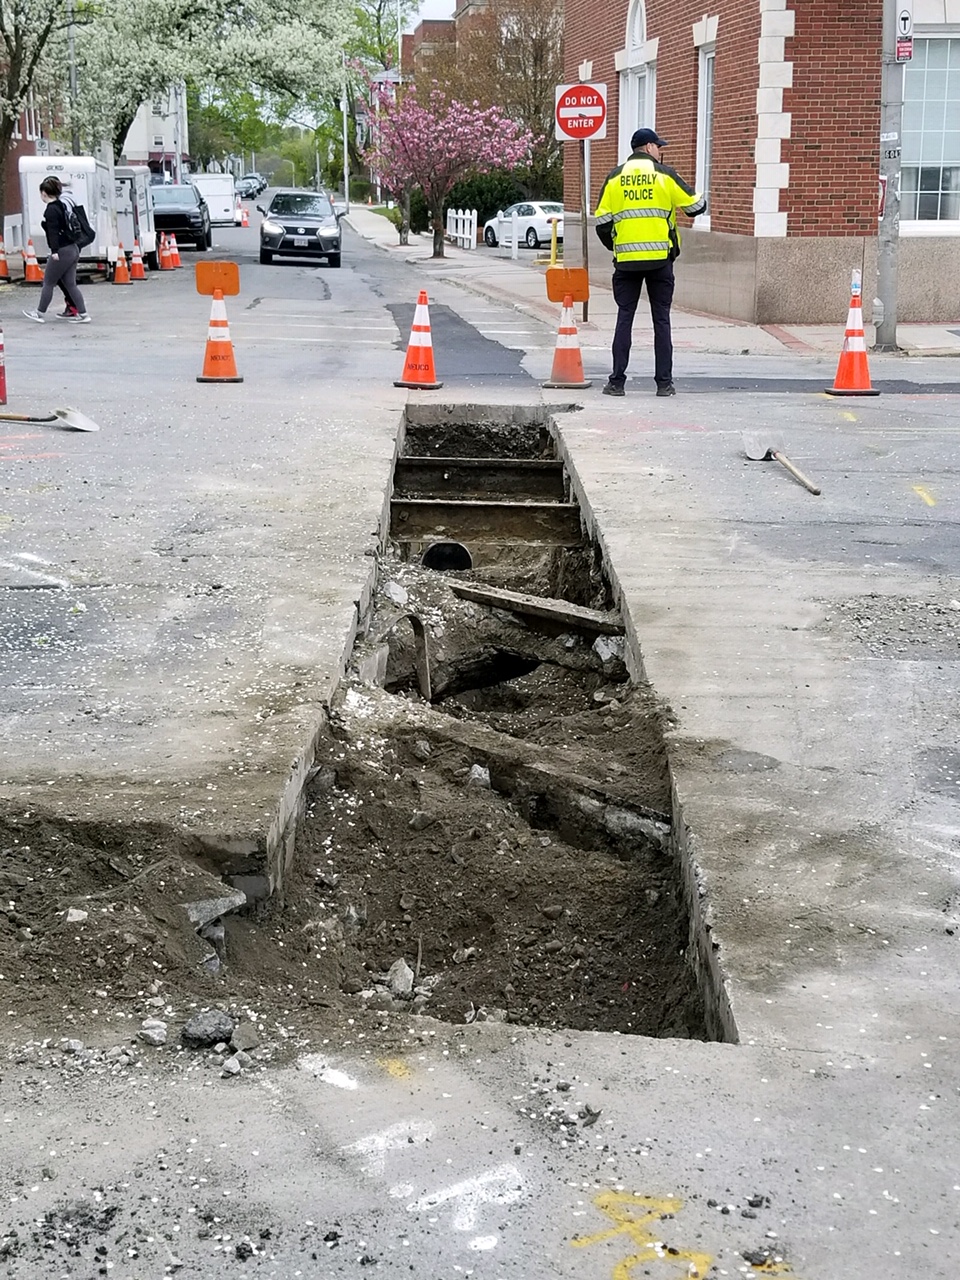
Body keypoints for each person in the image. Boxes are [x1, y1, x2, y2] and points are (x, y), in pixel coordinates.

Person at [594, 128, 705, 397]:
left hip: (626, 262)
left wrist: (616, 246)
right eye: (658, 146)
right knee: (661, 320)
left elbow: (602, 222)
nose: (660, 150)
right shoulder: (665, 175)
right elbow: (696, 207)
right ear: (648, 147)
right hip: (660, 261)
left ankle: (616, 382)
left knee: (625, 318)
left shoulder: (614, 177)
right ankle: (664, 384)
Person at [22, 176, 90, 325]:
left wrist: (54, 251)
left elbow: (53, 233)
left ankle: (39, 312)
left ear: (44, 193)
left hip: (62, 250)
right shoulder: (61, 205)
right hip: (73, 248)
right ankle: (83, 314)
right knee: (70, 284)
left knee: (48, 282)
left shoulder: (51, 210)